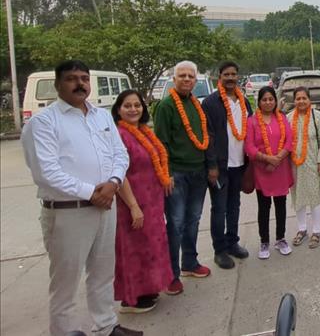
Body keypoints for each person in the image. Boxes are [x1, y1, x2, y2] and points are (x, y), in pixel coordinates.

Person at [22, 60, 142, 336]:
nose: (80, 83)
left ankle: (106, 325)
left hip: (105, 206)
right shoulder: (43, 122)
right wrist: (91, 192)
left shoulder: (101, 116)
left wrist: (113, 183)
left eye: (84, 78)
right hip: (67, 212)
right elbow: (46, 172)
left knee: (102, 273)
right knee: (65, 282)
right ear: (57, 84)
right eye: (71, 79)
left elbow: (119, 154)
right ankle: (65, 331)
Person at [154, 60, 216, 295]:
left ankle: (189, 263)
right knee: (176, 223)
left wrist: (209, 166)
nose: (187, 79)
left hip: (198, 172)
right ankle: (171, 274)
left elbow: (204, 138)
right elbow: (161, 144)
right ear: (174, 79)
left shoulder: (195, 105)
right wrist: (166, 174)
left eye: (191, 76)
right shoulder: (166, 106)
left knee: (193, 219)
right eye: (183, 76)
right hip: (177, 174)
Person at [112, 90, 173, 313]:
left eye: (137, 105)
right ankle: (131, 298)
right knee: (134, 250)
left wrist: (166, 177)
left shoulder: (145, 131)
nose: (133, 109)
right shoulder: (119, 135)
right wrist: (133, 206)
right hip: (132, 202)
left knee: (150, 247)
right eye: (127, 106)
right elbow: (119, 173)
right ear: (118, 109)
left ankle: (147, 289)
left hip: (152, 201)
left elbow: (156, 158)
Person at [201, 61, 253, 269]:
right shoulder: (211, 103)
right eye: (226, 74)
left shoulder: (244, 101)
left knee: (234, 206)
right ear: (219, 77)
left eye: (234, 74)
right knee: (219, 209)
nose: (230, 78)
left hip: (240, 164)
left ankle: (232, 242)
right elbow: (208, 137)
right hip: (220, 167)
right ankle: (219, 250)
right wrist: (211, 165)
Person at [245, 86, 295, 259]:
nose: (268, 102)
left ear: (275, 100)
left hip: (280, 169)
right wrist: (268, 159)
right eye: (264, 99)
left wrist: (278, 158)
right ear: (259, 102)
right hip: (262, 171)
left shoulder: (281, 118)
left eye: (271, 99)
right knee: (264, 207)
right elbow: (249, 147)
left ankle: (281, 238)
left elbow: (290, 140)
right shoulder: (252, 121)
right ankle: (264, 241)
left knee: (281, 206)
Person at [288, 87, 320, 249]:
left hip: (312, 162)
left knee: (314, 195)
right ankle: (302, 229)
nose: (301, 101)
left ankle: (316, 231)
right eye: (298, 98)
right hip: (293, 164)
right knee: (298, 196)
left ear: (309, 100)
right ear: (294, 100)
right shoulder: (289, 117)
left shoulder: (317, 117)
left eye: (304, 98)